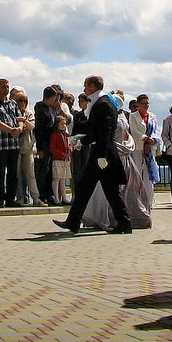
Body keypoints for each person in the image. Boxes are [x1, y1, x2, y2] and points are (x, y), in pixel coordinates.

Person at [52, 76, 132, 234]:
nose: (84, 89)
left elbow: (105, 132)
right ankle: (73, 222)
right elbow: (96, 131)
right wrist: (83, 142)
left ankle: (124, 223)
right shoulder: (101, 103)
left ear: (93, 86)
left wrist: (101, 155)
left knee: (106, 190)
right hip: (100, 152)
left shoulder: (102, 104)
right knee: (89, 188)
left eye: (86, 86)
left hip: (103, 155)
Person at [82, 90, 154, 230]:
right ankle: (120, 220)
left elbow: (113, 137)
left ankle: (120, 220)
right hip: (117, 157)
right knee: (111, 191)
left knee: (114, 191)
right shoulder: (120, 117)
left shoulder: (118, 117)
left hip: (116, 158)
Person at [0, 78, 22, 208]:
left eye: (7, 87)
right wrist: (12, 130)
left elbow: (19, 118)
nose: (5, 89)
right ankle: (0, 199)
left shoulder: (13, 103)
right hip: (1, 144)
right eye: (3, 87)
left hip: (14, 144)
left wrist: (19, 128)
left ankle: (10, 199)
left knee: (13, 173)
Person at [12, 88, 45, 206]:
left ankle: (36, 197)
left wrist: (24, 120)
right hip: (15, 147)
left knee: (31, 174)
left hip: (28, 147)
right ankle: (20, 197)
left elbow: (31, 127)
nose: (22, 103)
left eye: (24, 101)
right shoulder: (12, 113)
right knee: (18, 174)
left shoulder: (29, 113)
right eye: (19, 100)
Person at [34, 86, 61, 204]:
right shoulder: (41, 108)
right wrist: (39, 147)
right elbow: (39, 129)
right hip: (44, 142)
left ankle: (49, 193)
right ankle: (42, 193)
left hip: (50, 141)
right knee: (43, 169)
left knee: (50, 169)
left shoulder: (50, 109)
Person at [128, 94, 162, 190]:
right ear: (138, 104)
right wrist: (145, 139)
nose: (145, 105)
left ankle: (149, 199)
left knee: (149, 173)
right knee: (137, 172)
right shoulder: (133, 116)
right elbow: (134, 131)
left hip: (150, 148)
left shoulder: (152, 116)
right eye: (143, 103)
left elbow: (156, 130)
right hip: (138, 147)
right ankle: (137, 197)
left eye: (147, 103)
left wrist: (153, 140)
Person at [50, 114, 73, 204]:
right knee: (57, 179)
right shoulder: (54, 135)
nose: (64, 125)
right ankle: (56, 198)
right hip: (58, 159)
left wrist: (69, 150)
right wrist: (63, 154)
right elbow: (52, 148)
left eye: (65, 124)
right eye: (62, 123)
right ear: (57, 124)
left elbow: (71, 145)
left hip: (65, 160)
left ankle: (64, 198)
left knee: (63, 179)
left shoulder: (67, 135)